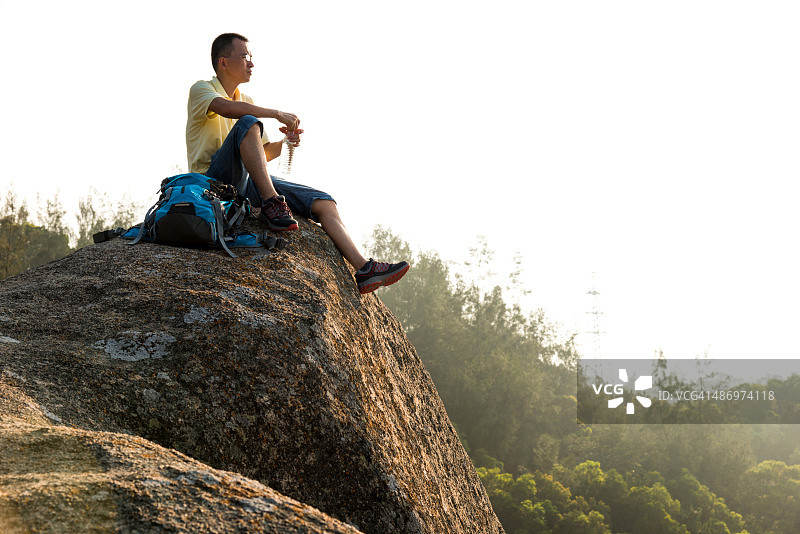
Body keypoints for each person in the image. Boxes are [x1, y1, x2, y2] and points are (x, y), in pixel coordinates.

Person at [186, 33, 409, 295]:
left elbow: (262, 153)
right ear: (223, 62)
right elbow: (225, 108)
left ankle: (364, 269)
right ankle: (272, 204)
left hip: (244, 182)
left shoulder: (246, 102)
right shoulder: (202, 89)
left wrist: (285, 143)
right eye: (245, 57)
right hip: (211, 184)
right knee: (248, 122)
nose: (252, 64)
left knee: (324, 201)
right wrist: (275, 113)